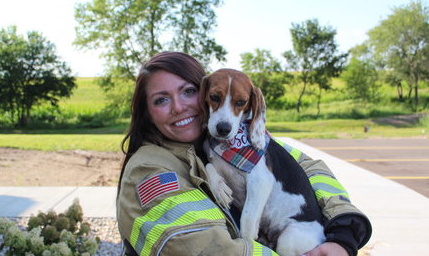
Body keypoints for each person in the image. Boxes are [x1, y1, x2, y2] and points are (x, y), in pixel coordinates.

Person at [116, 51, 372, 256]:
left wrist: (342, 237)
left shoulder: (241, 142)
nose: (179, 107)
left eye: (188, 91)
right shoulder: (149, 170)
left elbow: (310, 169)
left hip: (297, 232)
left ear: (201, 93)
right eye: (161, 100)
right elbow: (199, 248)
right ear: (146, 112)